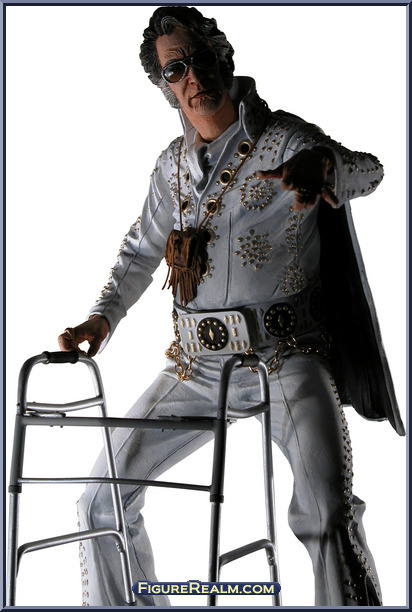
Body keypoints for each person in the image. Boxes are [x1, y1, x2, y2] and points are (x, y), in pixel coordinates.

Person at [58, 6, 404, 607]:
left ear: (224, 58)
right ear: (165, 85)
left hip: (286, 358)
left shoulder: (285, 139)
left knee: (328, 509)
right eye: (176, 70)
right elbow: (141, 248)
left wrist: (325, 167)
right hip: (195, 367)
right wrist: (102, 316)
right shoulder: (172, 165)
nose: (193, 77)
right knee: (100, 497)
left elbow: (369, 171)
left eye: (201, 59)